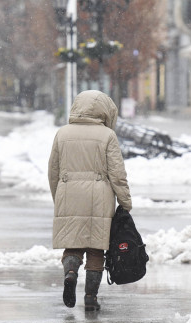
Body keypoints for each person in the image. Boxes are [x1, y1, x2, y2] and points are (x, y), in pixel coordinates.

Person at [48, 90, 132, 311]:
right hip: (99, 198)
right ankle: (90, 298)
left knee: (73, 246)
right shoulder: (107, 136)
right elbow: (117, 173)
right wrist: (125, 202)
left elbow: (53, 171)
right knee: (96, 250)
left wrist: (59, 197)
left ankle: (71, 273)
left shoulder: (62, 134)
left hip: (69, 194)